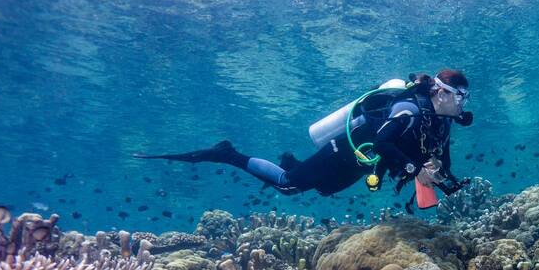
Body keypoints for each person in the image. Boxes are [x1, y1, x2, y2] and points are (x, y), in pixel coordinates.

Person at [135, 69, 473, 212]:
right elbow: (385, 143)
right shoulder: (410, 110)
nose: (463, 104)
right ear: (442, 93)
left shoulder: (441, 124)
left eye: (465, 99)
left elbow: (442, 162)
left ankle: (292, 162)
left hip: (360, 162)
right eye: (460, 97)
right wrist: (416, 169)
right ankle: (227, 154)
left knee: (323, 189)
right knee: (289, 185)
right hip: (348, 147)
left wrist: (449, 183)